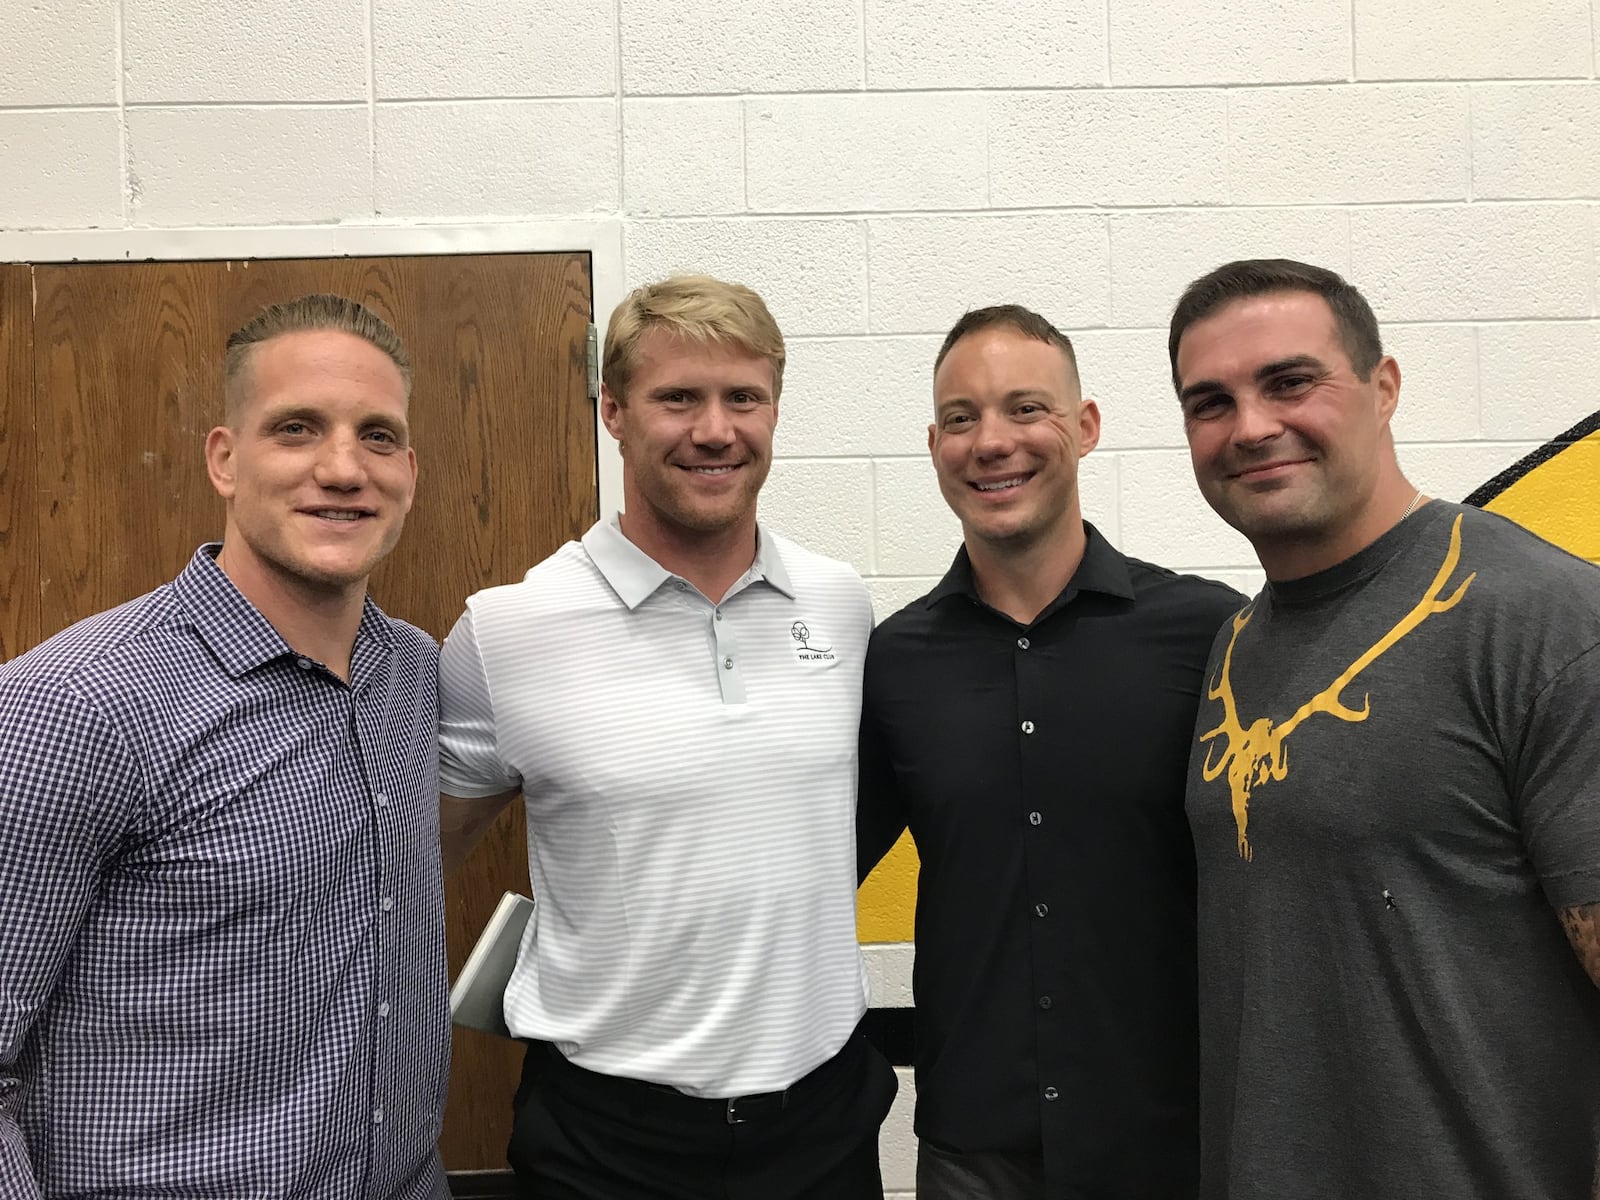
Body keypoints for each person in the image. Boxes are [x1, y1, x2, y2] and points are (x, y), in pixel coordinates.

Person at [437, 274, 897, 1199]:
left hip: (821, 1122)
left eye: (744, 398)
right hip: (607, 1140)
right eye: (677, 397)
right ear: (613, 410)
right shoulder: (507, 628)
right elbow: (409, 861)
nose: (715, 430)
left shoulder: (840, 603)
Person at [0, 295, 449, 1198]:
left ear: (409, 471)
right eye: (296, 428)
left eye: (377, 436)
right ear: (224, 459)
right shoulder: (76, 705)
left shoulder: (413, 673)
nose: (341, 467)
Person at [1170, 258, 1600, 1199]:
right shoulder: (1236, 645)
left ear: (1384, 386)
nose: (1251, 426)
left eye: (1290, 381)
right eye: (1210, 402)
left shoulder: (1545, 620)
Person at [857, 304, 1243, 1199]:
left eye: (1026, 408)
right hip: (974, 1146)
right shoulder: (894, 661)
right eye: (962, 418)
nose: (993, 441)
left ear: (1085, 426)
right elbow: (815, 872)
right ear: (933, 444)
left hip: (1171, 1136)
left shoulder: (1209, 633)